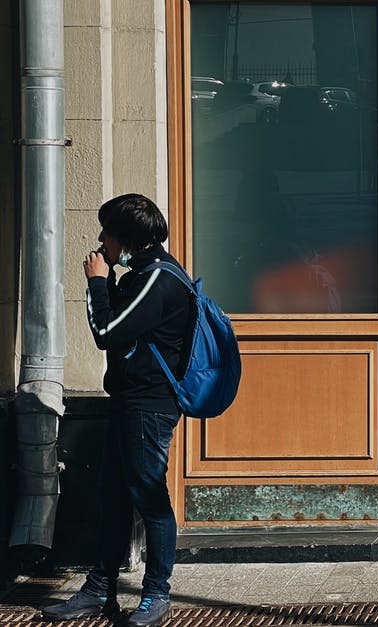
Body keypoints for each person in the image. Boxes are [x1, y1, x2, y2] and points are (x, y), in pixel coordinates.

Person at [42, 194, 191, 627]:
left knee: (150, 498)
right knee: (113, 499)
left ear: (125, 239)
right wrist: (108, 282)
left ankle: (156, 596)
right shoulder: (140, 275)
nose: (100, 240)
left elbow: (106, 332)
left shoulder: (157, 281)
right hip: (129, 403)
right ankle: (99, 590)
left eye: (106, 232)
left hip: (149, 407)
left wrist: (96, 282)